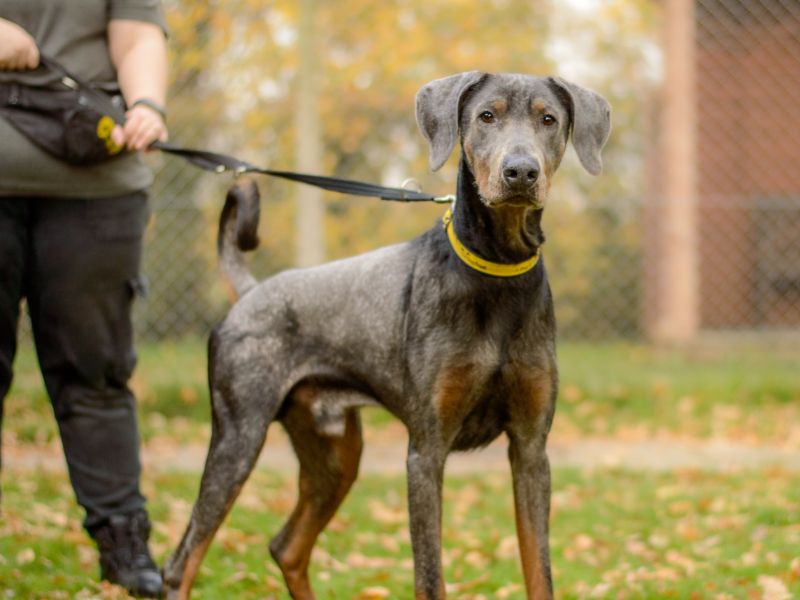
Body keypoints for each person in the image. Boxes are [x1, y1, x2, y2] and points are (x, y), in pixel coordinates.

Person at [0, 1, 168, 596]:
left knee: (95, 375)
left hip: (98, 185)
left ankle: (125, 549)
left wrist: (146, 105)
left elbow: (138, 37)